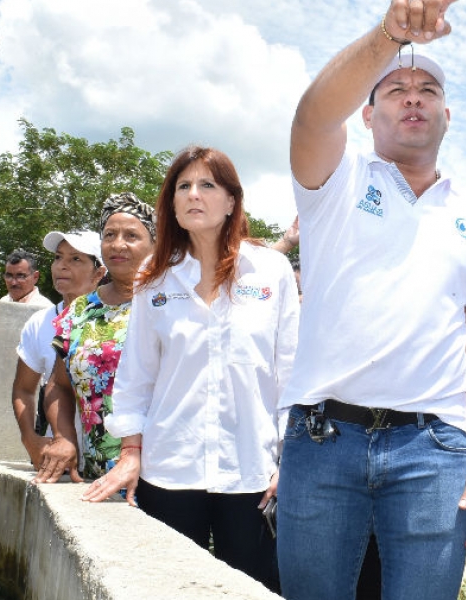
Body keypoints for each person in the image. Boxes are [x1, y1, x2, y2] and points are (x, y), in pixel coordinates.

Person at [277, 2, 466, 598]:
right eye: (395, 89)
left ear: (447, 115)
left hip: (434, 452)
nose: (413, 97)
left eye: (428, 89)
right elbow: (311, 115)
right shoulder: (336, 180)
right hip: (323, 438)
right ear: (367, 114)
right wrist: (391, 35)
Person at [79, 146, 296, 593]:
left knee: (253, 587)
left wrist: (289, 460)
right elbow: (137, 375)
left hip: (251, 471)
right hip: (170, 468)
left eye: (207, 185)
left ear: (232, 201)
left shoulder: (271, 270)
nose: (193, 194)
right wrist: (130, 453)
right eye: (183, 186)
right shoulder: (154, 279)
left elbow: (291, 372)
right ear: (171, 204)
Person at [33, 192, 156, 483]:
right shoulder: (80, 310)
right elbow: (57, 385)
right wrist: (64, 437)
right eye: (109, 234)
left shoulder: (168, 303)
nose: (117, 244)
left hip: (165, 478)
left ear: (156, 245)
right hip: (99, 478)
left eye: (131, 235)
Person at [11, 230, 105, 469]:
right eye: (57, 257)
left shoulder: (116, 321)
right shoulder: (38, 323)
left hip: (112, 460)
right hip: (61, 464)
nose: (61, 266)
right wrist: (30, 439)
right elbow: (24, 388)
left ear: (99, 273)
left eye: (75, 259)